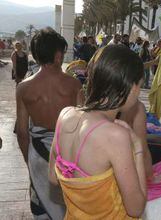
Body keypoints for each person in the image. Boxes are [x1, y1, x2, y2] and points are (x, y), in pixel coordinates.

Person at [48, 45, 147, 219]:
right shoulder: (115, 135)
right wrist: (138, 148)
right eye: (139, 85)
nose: (139, 92)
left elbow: (53, 178)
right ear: (130, 87)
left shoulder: (65, 115)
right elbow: (136, 208)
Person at [16, 28, 83, 219]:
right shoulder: (73, 85)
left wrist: (29, 161)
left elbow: (22, 132)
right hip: (67, 155)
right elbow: (83, 126)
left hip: (37, 153)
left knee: (41, 205)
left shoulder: (23, 88)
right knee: (67, 203)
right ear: (58, 54)